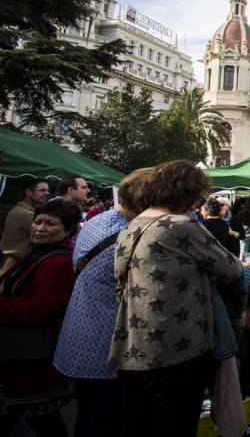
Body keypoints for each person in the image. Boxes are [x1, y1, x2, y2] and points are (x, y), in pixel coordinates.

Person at [107, 160, 242, 437]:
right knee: (175, 424)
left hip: (131, 345)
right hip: (177, 347)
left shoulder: (132, 225)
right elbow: (231, 268)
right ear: (189, 193)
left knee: (137, 423)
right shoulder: (180, 226)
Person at [52, 168, 151, 437]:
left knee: (88, 416)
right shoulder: (135, 234)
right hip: (109, 344)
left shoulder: (99, 221)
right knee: (105, 420)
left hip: (80, 337)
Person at [0, 201, 80, 436]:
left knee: (44, 421)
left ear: (67, 231)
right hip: (23, 357)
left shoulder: (58, 261)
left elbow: (41, 308)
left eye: (50, 224)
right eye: (37, 222)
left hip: (33, 360)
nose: (40, 228)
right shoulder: (38, 254)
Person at [0, 179, 50, 274]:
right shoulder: (25, 214)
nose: (47, 193)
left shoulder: (22, 209)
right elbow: (49, 235)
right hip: (14, 266)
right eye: (42, 190)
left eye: (48, 190)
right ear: (28, 192)